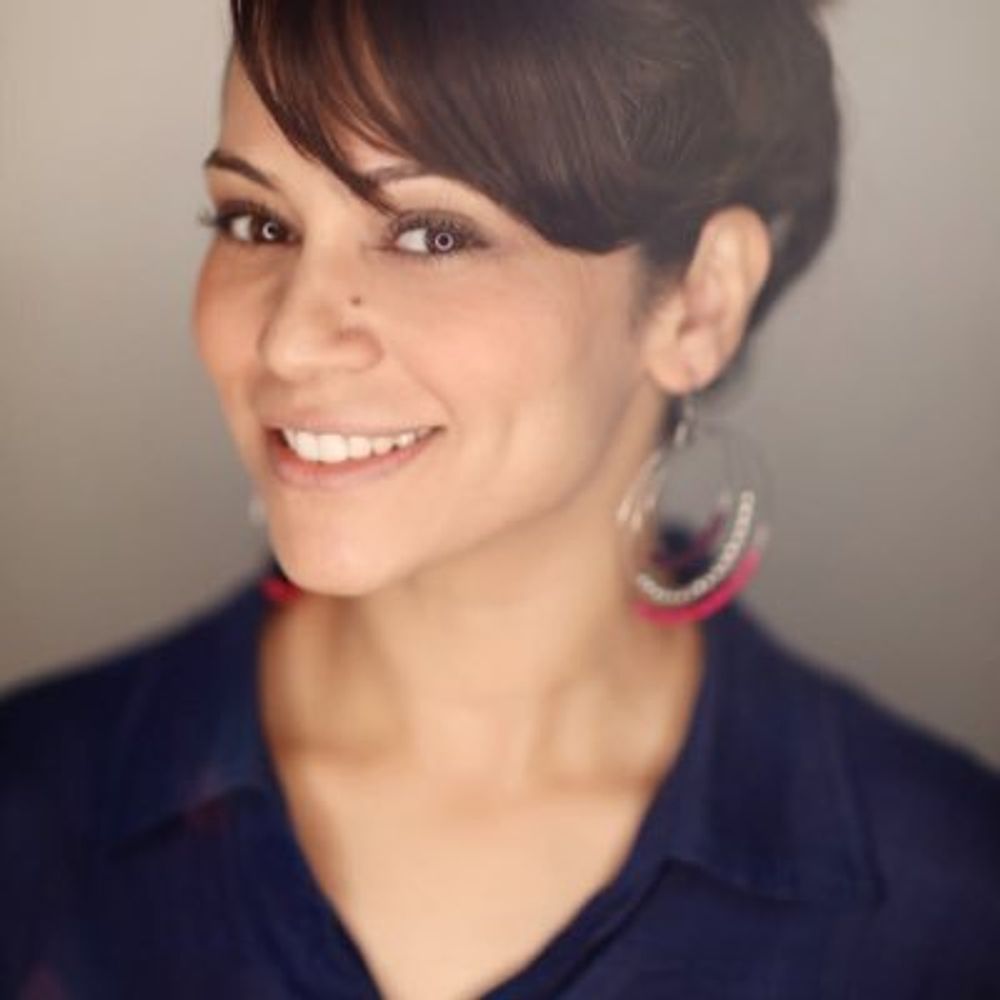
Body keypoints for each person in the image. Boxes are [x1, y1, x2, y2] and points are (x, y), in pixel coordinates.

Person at [2, 1, 998, 997]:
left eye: (432, 236)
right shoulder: (28, 813)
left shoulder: (949, 908)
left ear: (700, 301)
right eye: (257, 222)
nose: (289, 339)